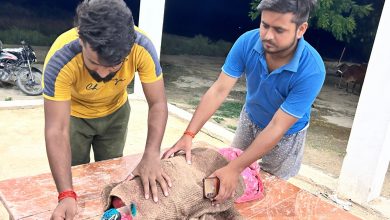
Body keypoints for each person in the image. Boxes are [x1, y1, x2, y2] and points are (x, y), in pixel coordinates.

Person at [163, 0, 324, 205]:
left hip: (286, 135)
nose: (267, 35)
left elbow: (278, 125)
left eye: (279, 30)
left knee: (269, 190)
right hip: (250, 118)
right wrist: (189, 134)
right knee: (234, 174)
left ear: (301, 29)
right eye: (264, 25)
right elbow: (219, 90)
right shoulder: (247, 42)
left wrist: (235, 168)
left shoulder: (312, 70)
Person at [42, 0, 170, 219]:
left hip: (115, 115)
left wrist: (151, 154)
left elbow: (158, 104)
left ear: (129, 49)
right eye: (93, 62)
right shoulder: (60, 59)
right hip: (74, 117)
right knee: (75, 175)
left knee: (110, 176)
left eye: (112, 66)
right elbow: (57, 129)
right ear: (81, 39)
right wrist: (65, 194)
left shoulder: (142, 47)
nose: (102, 74)